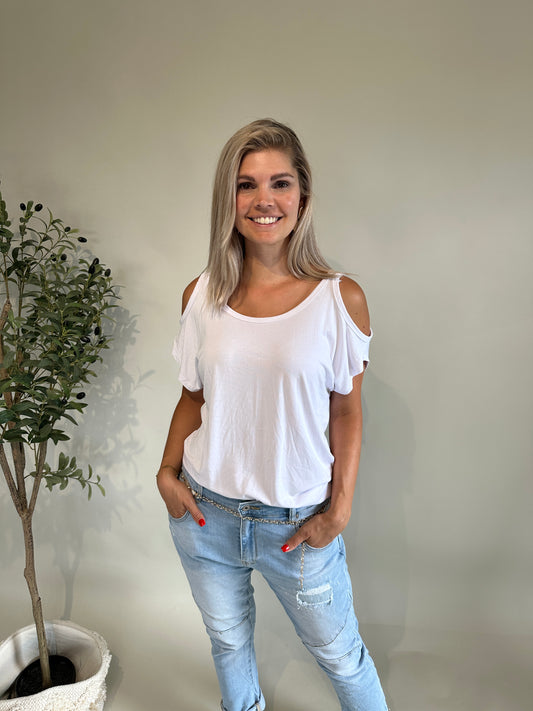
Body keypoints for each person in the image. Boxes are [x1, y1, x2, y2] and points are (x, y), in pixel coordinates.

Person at [156, 118, 388, 711]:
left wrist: (340, 508)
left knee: (342, 657)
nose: (264, 200)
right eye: (247, 185)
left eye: (280, 183)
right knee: (229, 644)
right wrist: (166, 472)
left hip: (297, 527)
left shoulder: (339, 299)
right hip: (206, 516)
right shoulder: (200, 296)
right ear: (228, 199)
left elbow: (347, 412)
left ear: (302, 196)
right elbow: (192, 398)